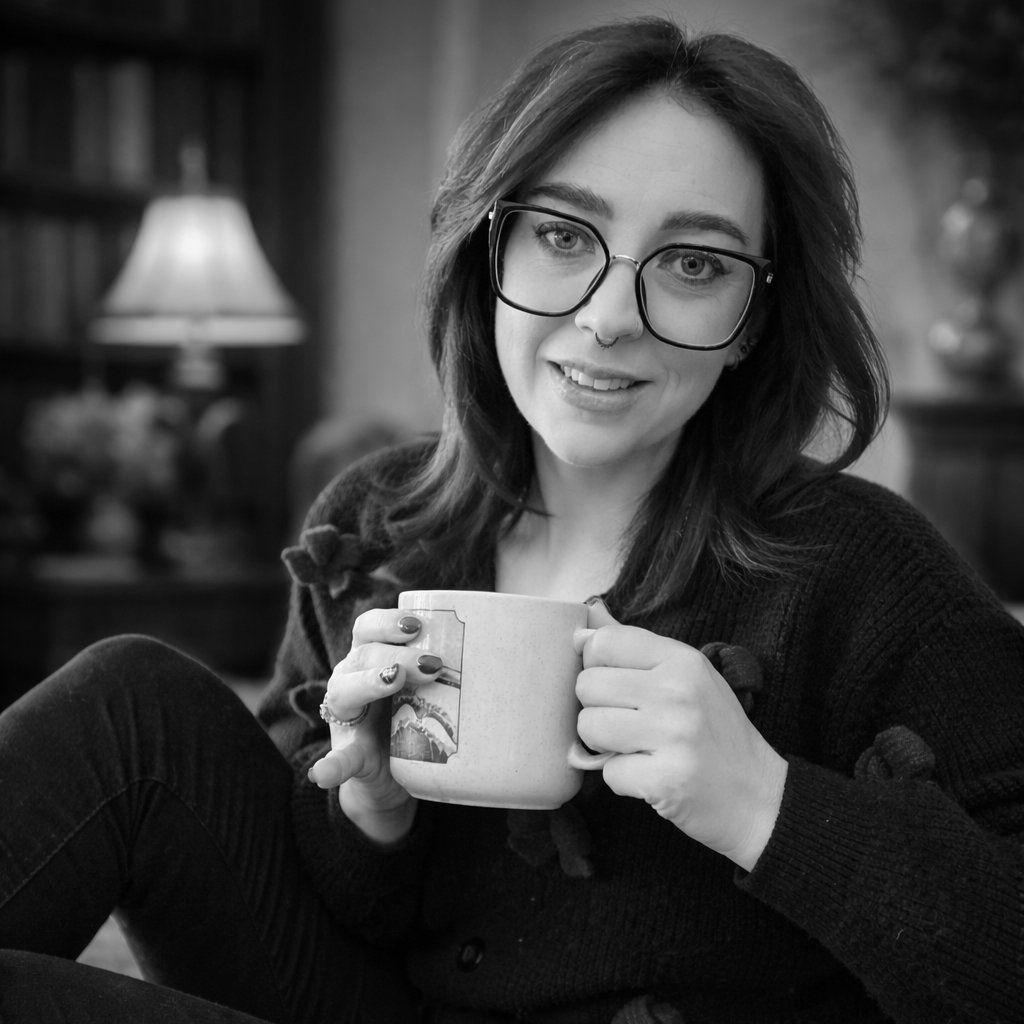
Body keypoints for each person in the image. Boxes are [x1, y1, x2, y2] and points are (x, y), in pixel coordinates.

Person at [1, 16, 1022, 1024]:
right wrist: (367, 804)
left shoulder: (862, 568)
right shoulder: (376, 523)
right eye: (561, 235)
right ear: (487, 251)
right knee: (126, 701)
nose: (610, 315)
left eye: (695, 263)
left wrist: (764, 803)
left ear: (753, 319)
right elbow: (314, 914)